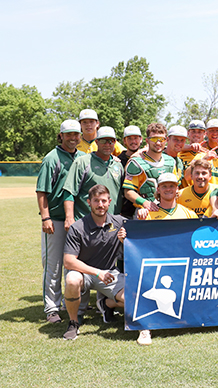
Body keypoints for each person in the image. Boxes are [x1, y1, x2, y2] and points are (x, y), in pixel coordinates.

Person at [135, 172, 196, 344]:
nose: (168, 189)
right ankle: (145, 328)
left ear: (177, 190)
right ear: (158, 190)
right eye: (164, 186)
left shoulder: (189, 214)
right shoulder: (146, 215)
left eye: (172, 186)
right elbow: (137, 244)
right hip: (156, 266)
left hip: (182, 267)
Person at [36, 119, 86, 323]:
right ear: (61, 136)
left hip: (78, 220)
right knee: (53, 265)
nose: (73, 138)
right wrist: (45, 217)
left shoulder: (83, 157)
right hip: (55, 219)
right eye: (69, 134)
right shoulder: (52, 158)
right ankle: (52, 308)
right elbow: (41, 191)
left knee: (74, 264)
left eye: (76, 134)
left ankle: (72, 302)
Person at [62, 184, 126, 340]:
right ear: (88, 202)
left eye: (104, 201)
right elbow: (68, 261)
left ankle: (107, 304)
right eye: (96, 201)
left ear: (110, 201)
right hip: (85, 273)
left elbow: (140, 235)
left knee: (135, 301)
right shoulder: (78, 227)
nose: (100, 205)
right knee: (71, 279)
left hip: (110, 273)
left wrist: (126, 239)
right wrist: (98, 273)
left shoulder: (119, 222)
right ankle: (73, 322)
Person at [63, 126, 124, 221]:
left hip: (112, 224)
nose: (107, 144)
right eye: (103, 141)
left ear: (115, 143)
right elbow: (69, 192)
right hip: (85, 223)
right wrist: (69, 218)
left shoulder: (118, 165)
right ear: (96, 142)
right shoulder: (82, 162)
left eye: (111, 141)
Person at [123, 123, 179, 218]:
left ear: (166, 140)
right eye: (153, 139)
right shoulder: (136, 163)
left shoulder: (171, 161)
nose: (158, 143)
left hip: (169, 212)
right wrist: (144, 202)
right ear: (147, 140)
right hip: (146, 213)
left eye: (161, 139)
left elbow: (177, 188)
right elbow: (128, 192)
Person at [118, 126, 144, 218]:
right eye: (129, 138)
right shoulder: (118, 161)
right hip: (124, 213)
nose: (133, 141)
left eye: (136, 138)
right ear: (124, 141)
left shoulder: (148, 158)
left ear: (141, 139)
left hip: (145, 210)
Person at [179, 120, 209, 187]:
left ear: (205, 134)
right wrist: (191, 147)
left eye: (199, 132)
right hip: (182, 194)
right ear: (188, 133)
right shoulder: (179, 152)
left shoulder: (208, 154)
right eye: (193, 131)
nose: (196, 134)